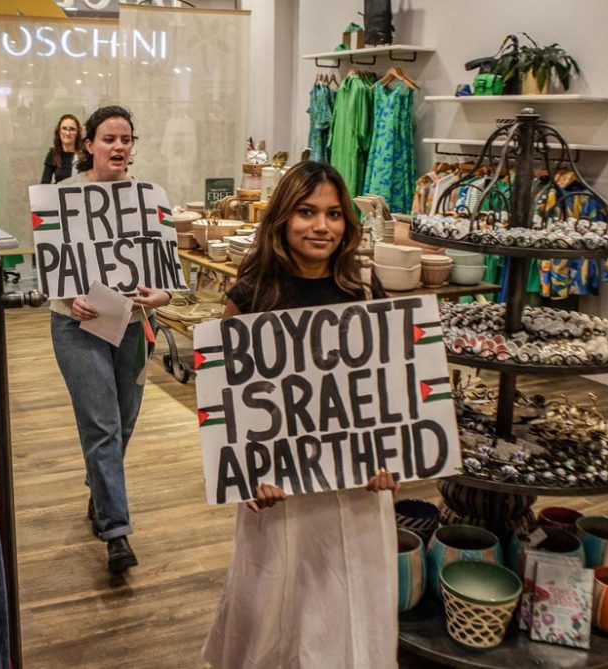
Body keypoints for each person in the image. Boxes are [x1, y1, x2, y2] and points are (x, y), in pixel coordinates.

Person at [202, 161, 402, 668]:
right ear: (282, 219)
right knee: (275, 602)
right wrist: (247, 473)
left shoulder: (362, 288)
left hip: (357, 486)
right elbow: (226, 397)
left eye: (335, 214)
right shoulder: (250, 296)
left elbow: (384, 385)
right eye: (307, 212)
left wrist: (390, 454)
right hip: (280, 488)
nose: (322, 226)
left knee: (351, 597)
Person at [49, 105, 173, 573]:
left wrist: (161, 295)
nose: (119, 146)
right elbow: (50, 267)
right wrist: (68, 297)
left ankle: (101, 491)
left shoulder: (148, 197)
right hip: (76, 325)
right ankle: (116, 532)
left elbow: (167, 269)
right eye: (108, 139)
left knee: (125, 417)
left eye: (126, 139)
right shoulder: (61, 197)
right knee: (102, 424)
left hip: (135, 322)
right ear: (89, 146)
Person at [40, 114, 82, 184]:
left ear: (77, 133)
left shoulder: (85, 156)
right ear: (59, 131)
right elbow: (44, 183)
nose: (68, 133)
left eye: (72, 129)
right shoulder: (53, 154)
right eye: (64, 128)